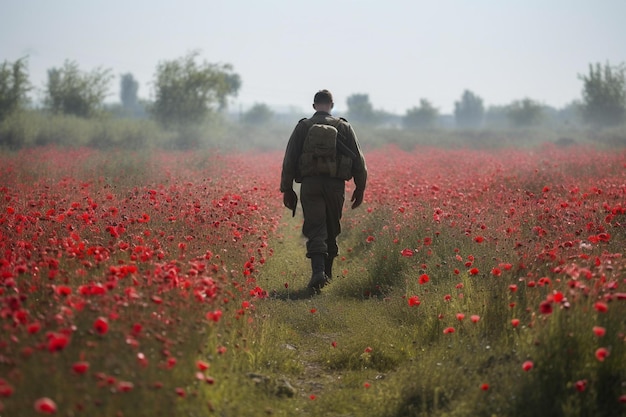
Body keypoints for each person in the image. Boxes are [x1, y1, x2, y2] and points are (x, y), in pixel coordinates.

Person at [280, 89, 367, 292]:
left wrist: (287, 189)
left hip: (310, 184)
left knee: (315, 226)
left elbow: (289, 159)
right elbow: (358, 160)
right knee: (332, 227)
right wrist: (360, 187)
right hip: (335, 185)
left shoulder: (303, 127)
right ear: (332, 105)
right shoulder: (344, 126)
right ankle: (326, 275)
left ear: (313, 106)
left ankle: (318, 272)